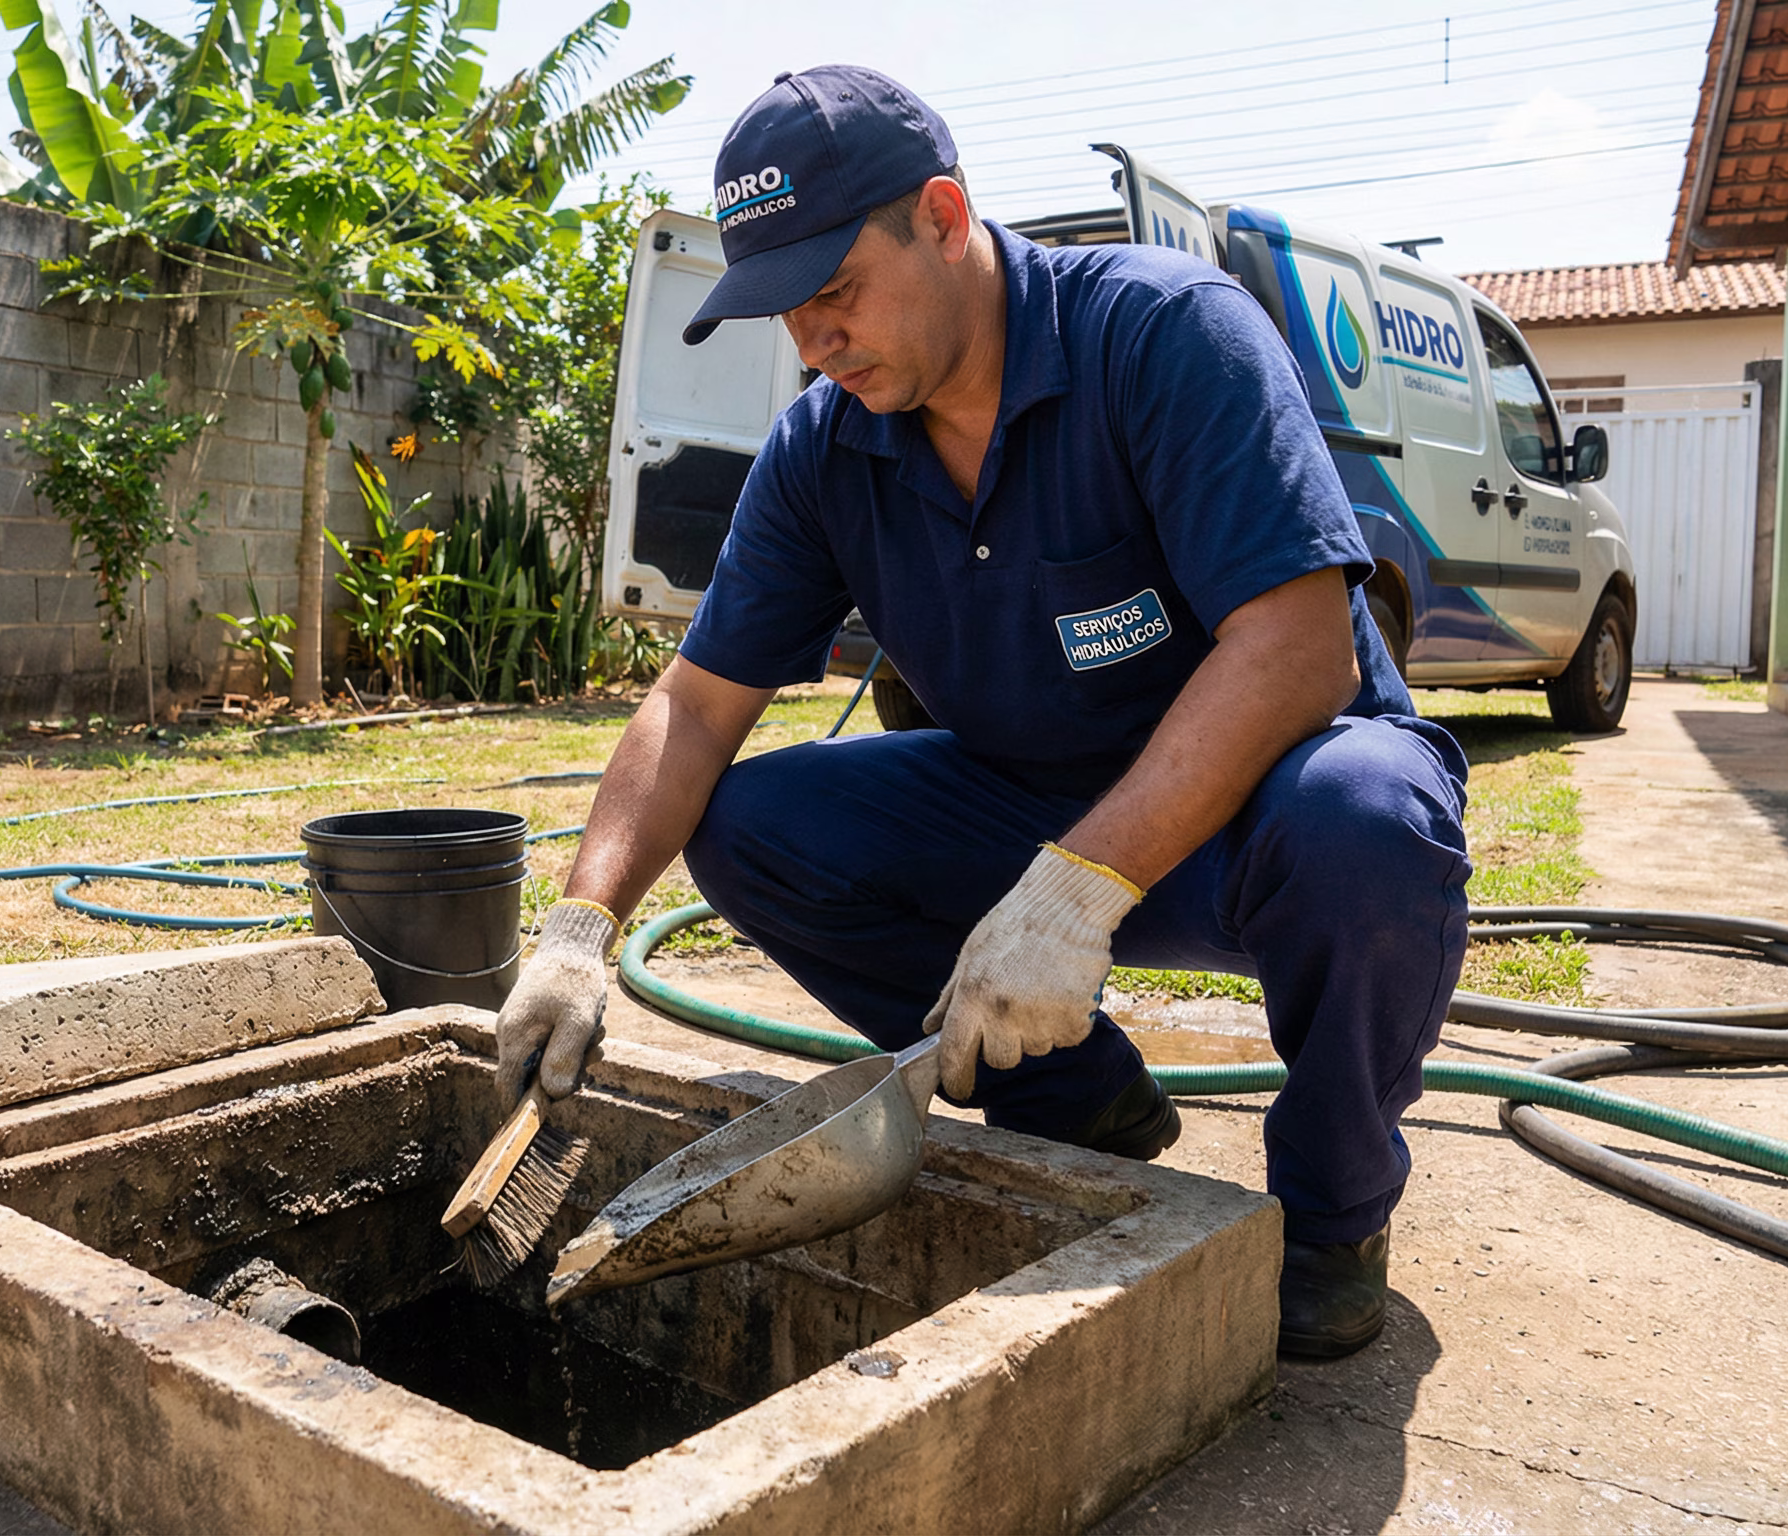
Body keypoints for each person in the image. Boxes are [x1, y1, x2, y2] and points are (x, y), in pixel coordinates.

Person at [494, 65, 1472, 1360]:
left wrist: (1079, 887)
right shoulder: (827, 449)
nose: (814, 342)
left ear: (944, 217)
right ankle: (1076, 1104)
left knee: (1372, 820)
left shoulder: (1165, 336)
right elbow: (694, 701)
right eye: (785, 311)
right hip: (1018, 801)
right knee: (748, 822)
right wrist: (579, 924)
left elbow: (1298, 654)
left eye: (834, 290)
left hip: (1257, 820)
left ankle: (1335, 1211)